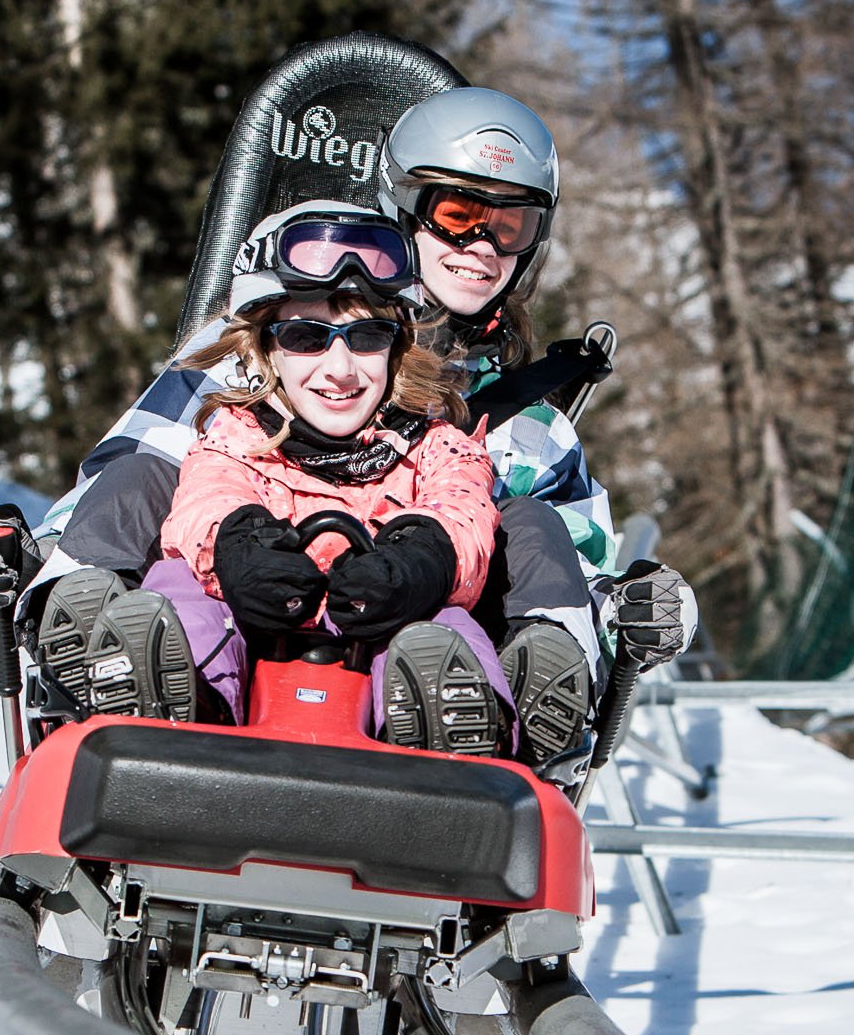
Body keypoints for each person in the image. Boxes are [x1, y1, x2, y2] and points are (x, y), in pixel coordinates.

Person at [0, 88, 695, 766]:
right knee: (157, 473)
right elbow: (132, 474)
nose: (480, 247)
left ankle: (493, 699)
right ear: (404, 205)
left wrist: (627, 610)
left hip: (411, 630)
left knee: (525, 520)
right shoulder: (258, 358)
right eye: (457, 215)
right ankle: (94, 635)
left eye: (509, 225)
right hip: (242, 619)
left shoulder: (527, 426)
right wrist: (43, 554)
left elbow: (576, 555)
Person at [55, 229, 513, 756]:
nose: (340, 369)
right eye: (306, 338)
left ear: (397, 350)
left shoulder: (438, 446)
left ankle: (453, 722)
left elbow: (464, 506)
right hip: (253, 650)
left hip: (381, 638)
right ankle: (175, 695)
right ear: (267, 350)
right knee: (178, 581)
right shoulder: (237, 435)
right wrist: (237, 545)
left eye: (367, 338)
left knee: (444, 624)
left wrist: (424, 559)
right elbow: (209, 497)